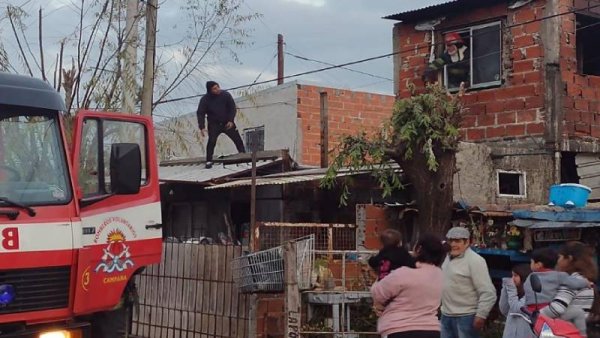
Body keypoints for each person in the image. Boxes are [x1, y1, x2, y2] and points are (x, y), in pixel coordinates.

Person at [370, 233, 447, 338]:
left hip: (399, 328)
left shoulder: (403, 273)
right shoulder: (439, 275)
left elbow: (378, 293)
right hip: (431, 329)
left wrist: (377, 280)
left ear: (418, 249)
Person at [441, 227, 496, 338]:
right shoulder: (446, 258)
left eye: (457, 241)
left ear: (467, 242)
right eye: (451, 241)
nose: (453, 244)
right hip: (446, 315)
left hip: (466, 317)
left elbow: (488, 292)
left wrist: (481, 315)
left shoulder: (475, 261)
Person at [539, 242, 597, 336]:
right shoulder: (586, 281)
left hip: (564, 332)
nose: (557, 261)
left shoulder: (572, 282)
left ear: (569, 258)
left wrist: (535, 315)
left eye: (560, 257)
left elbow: (556, 308)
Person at [196, 81, 245, 169]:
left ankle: (244, 156)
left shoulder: (226, 95)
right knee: (212, 141)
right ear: (210, 90)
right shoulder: (205, 99)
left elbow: (232, 108)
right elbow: (200, 113)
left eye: (218, 87)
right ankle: (209, 160)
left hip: (227, 123)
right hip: (214, 124)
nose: (217, 89)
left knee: (237, 139)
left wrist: (231, 120)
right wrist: (202, 127)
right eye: (214, 89)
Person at [499, 264, 534, 338]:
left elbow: (517, 309)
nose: (512, 279)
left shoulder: (531, 294)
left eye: (515, 276)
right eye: (512, 275)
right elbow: (504, 310)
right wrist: (505, 289)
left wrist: (511, 289)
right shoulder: (514, 292)